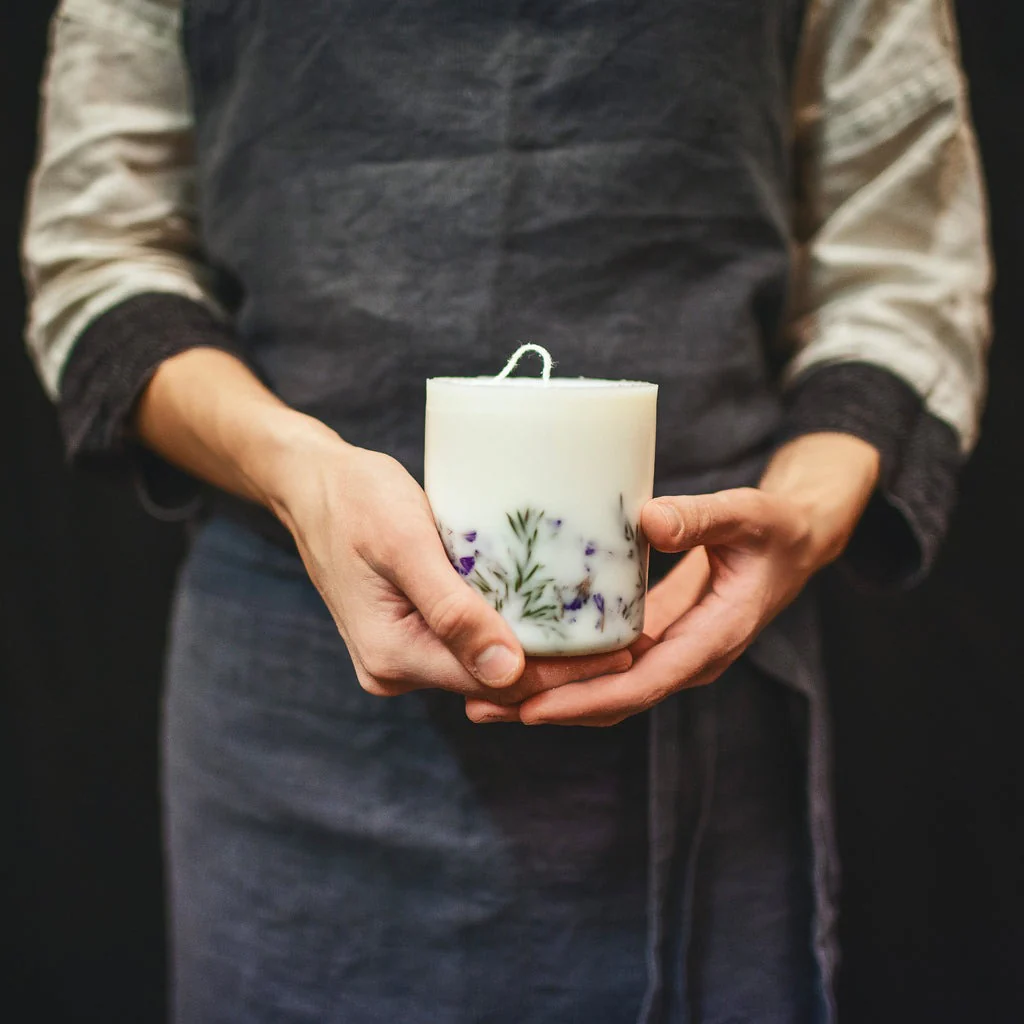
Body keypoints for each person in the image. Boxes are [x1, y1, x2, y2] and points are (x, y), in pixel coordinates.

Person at [23, 0, 990, 1020]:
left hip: (699, 670)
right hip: (289, 706)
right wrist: (298, 470)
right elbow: (104, 252)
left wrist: (801, 508)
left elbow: (900, 263)